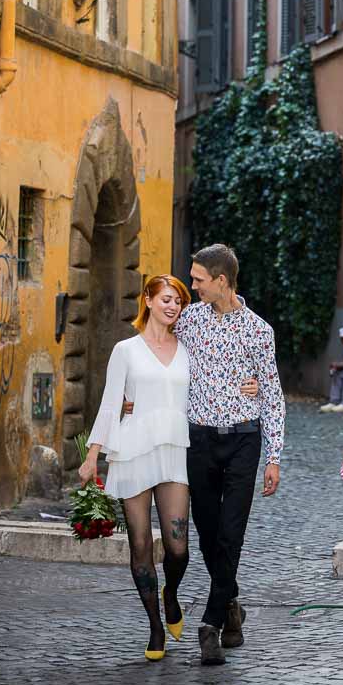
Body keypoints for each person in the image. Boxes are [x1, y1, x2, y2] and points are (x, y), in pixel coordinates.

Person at [79, 273, 259, 662]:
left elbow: (219, 374)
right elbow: (112, 403)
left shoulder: (189, 346)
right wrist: (94, 453)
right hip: (133, 451)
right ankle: (156, 627)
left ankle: (171, 593)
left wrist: (253, 384)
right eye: (165, 298)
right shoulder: (125, 350)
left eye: (178, 300)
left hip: (177, 451)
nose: (173, 305)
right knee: (141, 546)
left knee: (178, 548)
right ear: (147, 300)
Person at [172, 243, 285, 666]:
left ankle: (211, 623)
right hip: (199, 441)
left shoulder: (259, 330)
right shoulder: (190, 321)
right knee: (208, 533)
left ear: (222, 281)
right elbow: (159, 352)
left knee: (231, 531)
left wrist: (273, 456)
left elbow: (272, 396)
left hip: (243, 441)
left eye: (199, 280)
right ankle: (233, 605)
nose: (193, 285)